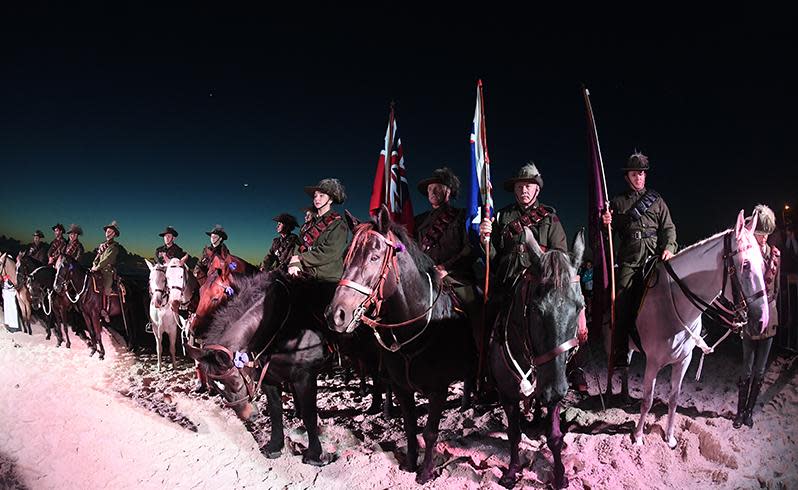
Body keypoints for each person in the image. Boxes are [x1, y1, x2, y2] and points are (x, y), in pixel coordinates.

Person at [601, 152, 677, 368]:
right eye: (635, 174)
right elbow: (607, 235)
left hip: (654, 260)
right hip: (630, 262)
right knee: (621, 301)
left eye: (642, 174)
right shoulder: (615, 202)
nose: (639, 178)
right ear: (628, 177)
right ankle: (620, 352)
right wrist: (605, 222)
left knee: (676, 291)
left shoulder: (657, 201)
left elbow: (669, 228)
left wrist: (670, 248)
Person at [479, 162, 567, 293]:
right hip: (507, 281)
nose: (523, 190)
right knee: (489, 309)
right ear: (514, 190)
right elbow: (494, 256)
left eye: (528, 186)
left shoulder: (549, 217)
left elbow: (560, 253)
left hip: (539, 282)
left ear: (537, 190)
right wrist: (484, 240)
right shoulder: (502, 216)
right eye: (519, 187)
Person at [733, 204, 780, 429]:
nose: (763, 238)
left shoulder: (776, 255)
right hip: (751, 318)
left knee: (760, 370)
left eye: (766, 234)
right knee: (747, 368)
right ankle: (739, 412)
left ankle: (749, 411)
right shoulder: (749, 255)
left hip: (769, 318)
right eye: (760, 234)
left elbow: (776, 288)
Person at [414, 167, 477, 314]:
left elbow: (470, 249)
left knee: (475, 305)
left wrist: (446, 269)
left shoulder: (463, 216)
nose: (432, 192)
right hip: (424, 276)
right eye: (430, 189)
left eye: (437, 188)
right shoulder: (419, 220)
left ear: (448, 191)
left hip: (455, 276)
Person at [288, 178, 348, 284]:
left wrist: (300, 258)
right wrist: (295, 264)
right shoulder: (308, 225)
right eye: (315, 196)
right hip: (305, 274)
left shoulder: (338, 224)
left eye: (321, 195)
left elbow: (330, 252)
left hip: (327, 279)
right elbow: (298, 245)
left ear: (330, 200)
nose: (317, 199)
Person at [91, 221, 121, 323]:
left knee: (106, 287)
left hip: (108, 271)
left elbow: (107, 259)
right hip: (98, 269)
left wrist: (97, 267)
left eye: (110, 232)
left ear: (114, 234)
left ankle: (104, 310)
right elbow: (97, 258)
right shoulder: (102, 245)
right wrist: (94, 264)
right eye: (107, 231)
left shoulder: (114, 247)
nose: (108, 233)